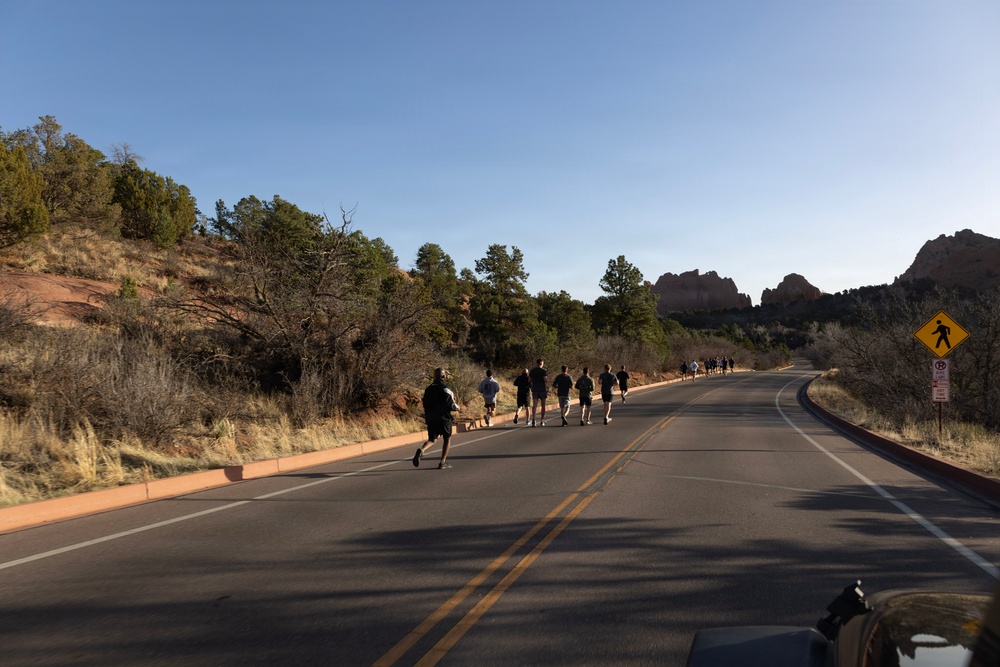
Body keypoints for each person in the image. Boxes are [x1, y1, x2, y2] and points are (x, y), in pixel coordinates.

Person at [413, 367, 460, 469]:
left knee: (432, 439)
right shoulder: (446, 389)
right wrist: (458, 408)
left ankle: (422, 450)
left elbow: (425, 404)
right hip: (444, 418)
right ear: (444, 376)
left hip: (431, 418)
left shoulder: (428, 389)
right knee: (447, 439)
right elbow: (452, 405)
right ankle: (442, 462)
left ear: (434, 376)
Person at [528, 358, 548, 426]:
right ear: (541, 364)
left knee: (535, 405)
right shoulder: (544, 371)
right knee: (543, 406)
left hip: (535, 389)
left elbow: (529, 380)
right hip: (542, 389)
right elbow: (545, 379)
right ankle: (542, 421)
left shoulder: (532, 371)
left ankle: (534, 419)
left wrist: (534, 380)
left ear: (536, 363)